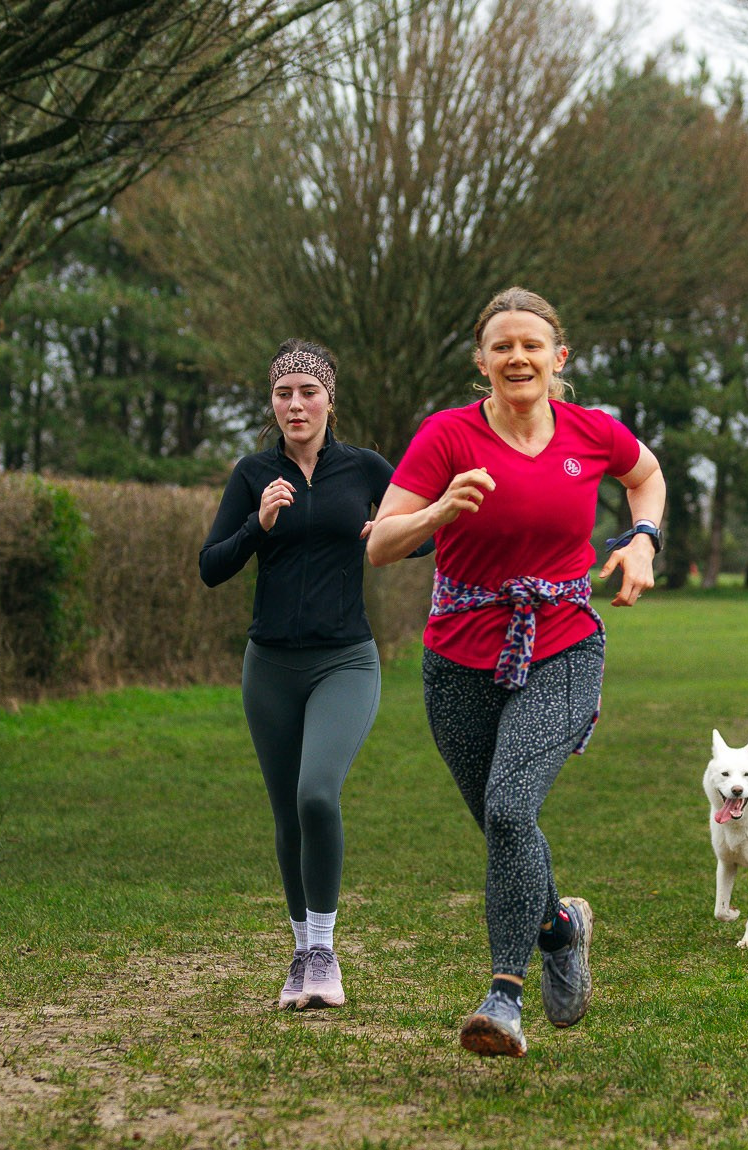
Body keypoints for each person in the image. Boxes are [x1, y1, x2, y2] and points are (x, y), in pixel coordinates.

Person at [368, 288, 664, 1058]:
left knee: (506, 811)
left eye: (532, 344)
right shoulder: (446, 436)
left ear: (558, 357)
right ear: (482, 361)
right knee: (506, 827)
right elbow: (379, 542)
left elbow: (647, 473)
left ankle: (504, 997)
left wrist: (642, 539)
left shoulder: (591, 431)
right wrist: (436, 515)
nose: (518, 357)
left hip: (562, 643)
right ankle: (562, 929)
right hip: (458, 657)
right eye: (502, 346)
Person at [200, 340, 427, 1013]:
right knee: (285, 811)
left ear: (330, 398)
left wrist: (386, 532)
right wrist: (257, 523)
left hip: (344, 660)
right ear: (272, 403)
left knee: (317, 793)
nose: (295, 404)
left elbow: (427, 533)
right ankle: (301, 951)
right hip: (268, 665)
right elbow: (212, 565)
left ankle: (325, 950)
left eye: (308, 391)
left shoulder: (365, 468)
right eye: (283, 393)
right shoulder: (252, 472)